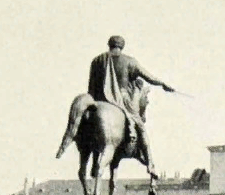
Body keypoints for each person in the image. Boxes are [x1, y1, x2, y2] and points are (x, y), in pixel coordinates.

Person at [59, 35, 175, 176]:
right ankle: (150, 164)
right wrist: (163, 84)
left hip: (98, 99)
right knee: (141, 128)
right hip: (123, 101)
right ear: (122, 46)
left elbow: (91, 86)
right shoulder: (130, 61)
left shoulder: (96, 61)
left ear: (109, 45)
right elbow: (149, 77)